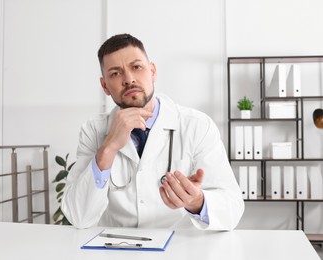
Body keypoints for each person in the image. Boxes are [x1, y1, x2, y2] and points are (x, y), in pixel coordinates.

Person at [61, 33, 244, 230]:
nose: (129, 79)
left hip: (181, 249)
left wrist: (196, 202)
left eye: (136, 67)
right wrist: (109, 147)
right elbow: (78, 216)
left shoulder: (197, 126)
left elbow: (232, 208)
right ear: (105, 86)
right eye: (115, 73)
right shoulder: (94, 130)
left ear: (153, 71)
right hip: (118, 249)